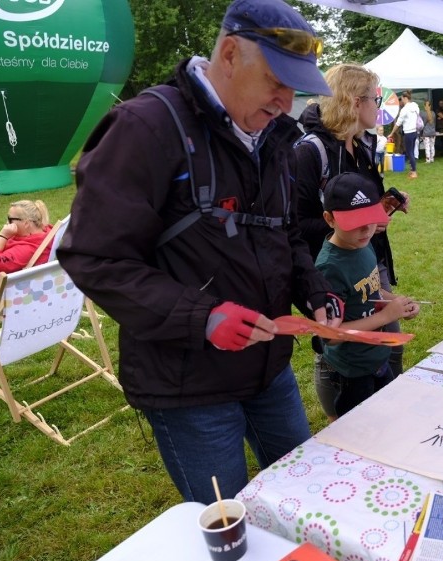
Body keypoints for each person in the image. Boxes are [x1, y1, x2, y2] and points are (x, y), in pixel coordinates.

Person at [57, 0, 341, 504]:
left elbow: (284, 233)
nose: (285, 100)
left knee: (310, 494)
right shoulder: (146, 127)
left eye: (294, 87)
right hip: (188, 386)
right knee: (226, 524)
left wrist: (312, 290)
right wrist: (203, 317)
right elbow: (94, 256)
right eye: (276, 81)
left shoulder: (273, 136)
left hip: (269, 366)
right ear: (230, 54)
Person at [294, 63, 410, 423]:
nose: (380, 106)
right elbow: (294, 223)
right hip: (329, 269)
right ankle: (340, 417)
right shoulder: (310, 151)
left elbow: (357, 201)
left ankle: (381, 409)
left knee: (386, 339)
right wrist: (349, 228)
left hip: (367, 259)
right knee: (337, 346)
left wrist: (383, 206)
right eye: (376, 98)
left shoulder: (362, 144)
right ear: (353, 101)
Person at [315, 172, 419, 417]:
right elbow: (331, 336)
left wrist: (397, 303)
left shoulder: (363, 244)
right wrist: (385, 318)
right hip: (352, 370)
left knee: (389, 417)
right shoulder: (329, 268)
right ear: (329, 219)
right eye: (355, 223)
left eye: (372, 220)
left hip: (376, 357)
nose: (366, 229)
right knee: (359, 429)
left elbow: (371, 289)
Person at [0, 200, 52, 304]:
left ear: (26, 223)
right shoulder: (46, 231)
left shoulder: (25, 250)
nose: (7, 223)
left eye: (10, 219)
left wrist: (2, 235)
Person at [389, 91, 420, 179]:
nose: (401, 101)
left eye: (402, 99)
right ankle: (412, 169)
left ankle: (414, 172)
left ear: (405, 98)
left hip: (408, 133)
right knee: (412, 151)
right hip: (415, 132)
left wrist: (391, 133)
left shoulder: (405, 109)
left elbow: (398, 123)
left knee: (409, 152)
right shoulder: (415, 105)